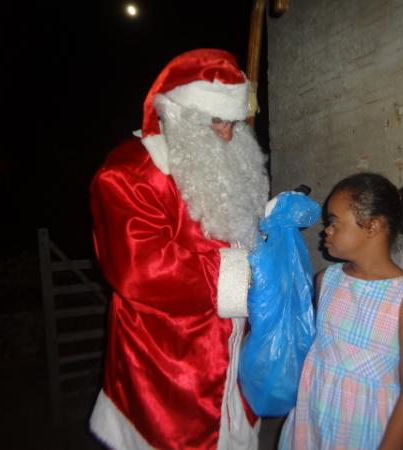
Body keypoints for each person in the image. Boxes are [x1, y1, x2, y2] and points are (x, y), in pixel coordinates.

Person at [88, 49, 269, 450]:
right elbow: (142, 270)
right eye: (217, 120)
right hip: (168, 365)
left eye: (234, 122)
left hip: (234, 358)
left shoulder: (227, 158)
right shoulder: (128, 173)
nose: (227, 134)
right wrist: (243, 274)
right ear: (181, 116)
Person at [279, 172, 403, 450]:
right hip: (315, 416)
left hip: (371, 430)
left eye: (333, 222)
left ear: (372, 226)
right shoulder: (326, 280)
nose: (325, 230)